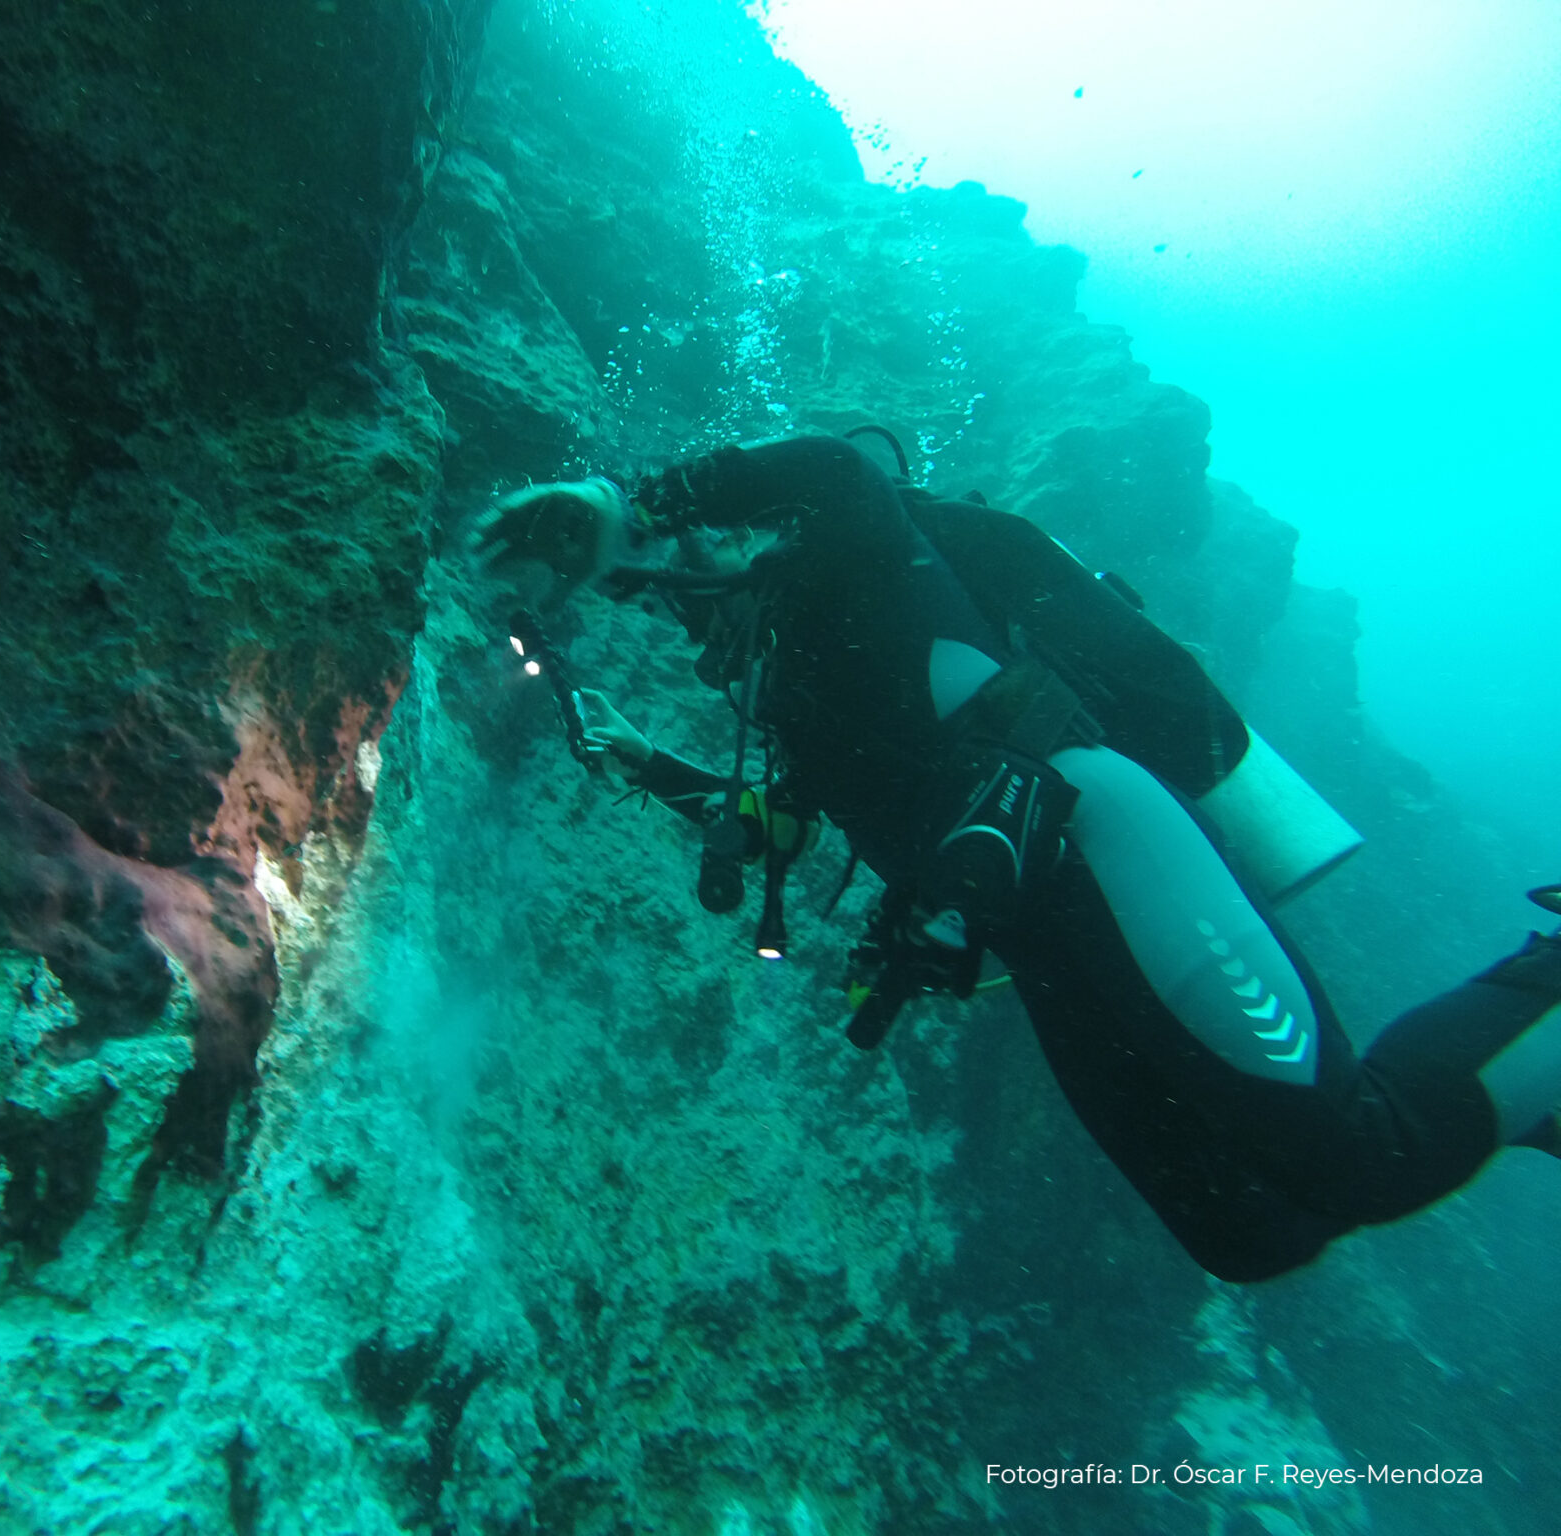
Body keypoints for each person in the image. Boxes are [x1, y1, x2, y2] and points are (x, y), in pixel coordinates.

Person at [473, 433, 1561, 1282]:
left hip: (1106, 838)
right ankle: (1526, 1080)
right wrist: (642, 758)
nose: (677, 618)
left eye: (668, 584)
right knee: (1246, 1232)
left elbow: (836, 469)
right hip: (1038, 938)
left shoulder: (860, 559)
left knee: (1360, 1152)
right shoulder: (792, 699)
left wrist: (629, 506)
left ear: (732, 543)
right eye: (651, 604)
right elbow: (778, 826)